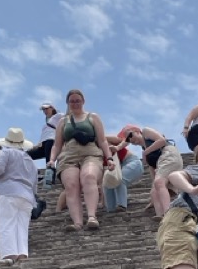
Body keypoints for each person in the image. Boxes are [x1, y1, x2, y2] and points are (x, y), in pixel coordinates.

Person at [49, 89, 114, 231]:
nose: (75, 103)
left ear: (83, 101)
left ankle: (92, 216)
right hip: (68, 156)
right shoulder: (62, 121)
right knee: (71, 186)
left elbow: (102, 140)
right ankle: (77, 222)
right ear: (67, 103)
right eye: (72, 101)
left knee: (89, 176)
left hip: (90, 152)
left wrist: (108, 157)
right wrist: (52, 159)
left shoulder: (93, 117)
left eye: (77, 100)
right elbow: (57, 144)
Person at [0, 138, 39, 263]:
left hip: (7, 191)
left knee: (5, 224)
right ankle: (22, 253)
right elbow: (35, 182)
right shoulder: (29, 160)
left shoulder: (6, 152)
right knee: (21, 227)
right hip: (27, 196)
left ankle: (8, 254)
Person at [103, 126, 147, 212]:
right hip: (120, 166)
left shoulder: (106, 141)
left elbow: (120, 140)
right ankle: (111, 209)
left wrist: (98, 137)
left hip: (132, 162)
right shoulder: (93, 156)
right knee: (107, 183)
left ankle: (121, 205)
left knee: (121, 179)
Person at [31, 102, 63, 185]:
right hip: (43, 143)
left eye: (46, 108)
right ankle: (34, 175)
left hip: (51, 140)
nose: (45, 111)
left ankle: (49, 181)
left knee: (49, 160)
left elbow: (69, 116)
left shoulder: (58, 116)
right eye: (43, 109)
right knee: (26, 155)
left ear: (52, 108)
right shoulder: (47, 121)